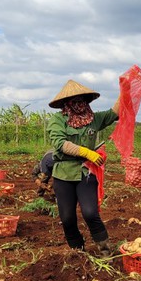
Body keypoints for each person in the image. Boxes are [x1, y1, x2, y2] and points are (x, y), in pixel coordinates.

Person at [47, 79, 119, 257]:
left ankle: (105, 250)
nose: (79, 104)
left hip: (86, 173)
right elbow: (60, 143)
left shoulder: (93, 119)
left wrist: (125, 90)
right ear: (66, 103)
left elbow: (115, 112)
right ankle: (77, 251)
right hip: (63, 174)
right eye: (74, 100)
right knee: (67, 218)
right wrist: (87, 152)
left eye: (82, 99)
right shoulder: (58, 120)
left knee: (90, 212)